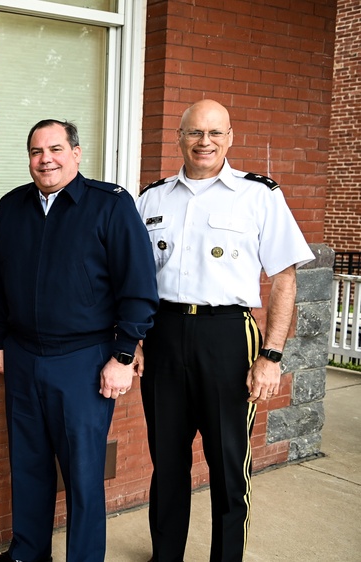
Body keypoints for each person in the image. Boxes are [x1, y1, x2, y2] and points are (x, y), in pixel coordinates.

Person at [136, 99, 315, 561]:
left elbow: (285, 277)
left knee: (229, 464)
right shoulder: (151, 198)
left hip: (228, 337)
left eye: (215, 133)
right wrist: (134, 339)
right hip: (163, 334)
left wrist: (271, 355)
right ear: (179, 137)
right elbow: (133, 278)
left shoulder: (259, 195)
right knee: (168, 462)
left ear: (231, 138)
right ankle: (166, 556)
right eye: (195, 133)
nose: (205, 142)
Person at [0, 119, 159, 562]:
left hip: (84, 361)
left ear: (76, 153)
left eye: (56, 149)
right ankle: (28, 551)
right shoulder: (12, 206)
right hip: (23, 356)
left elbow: (138, 286)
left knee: (82, 473)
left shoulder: (110, 206)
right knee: (28, 463)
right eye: (37, 152)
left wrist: (122, 354)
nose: (46, 159)